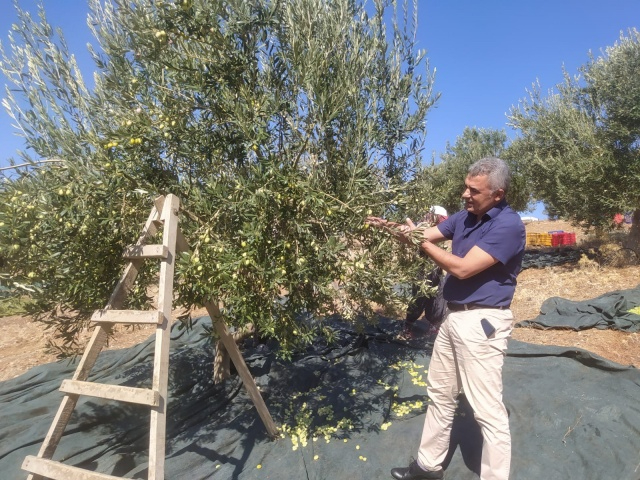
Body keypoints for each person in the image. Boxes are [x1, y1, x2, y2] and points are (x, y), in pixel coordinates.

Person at [367, 157, 526, 480]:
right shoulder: (464, 217)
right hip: (454, 318)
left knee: (487, 412)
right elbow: (422, 235)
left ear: (498, 194)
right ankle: (428, 467)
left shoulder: (508, 226)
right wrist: (390, 227)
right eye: (465, 187)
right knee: (440, 393)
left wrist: (422, 243)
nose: (465, 195)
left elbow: (463, 268)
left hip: (482, 324)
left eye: (473, 190)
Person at [403, 206, 448, 338]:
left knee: (438, 295)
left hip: (436, 267)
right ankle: (408, 325)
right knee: (419, 296)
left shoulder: (439, 230)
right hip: (423, 267)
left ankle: (434, 326)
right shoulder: (423, 228)